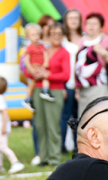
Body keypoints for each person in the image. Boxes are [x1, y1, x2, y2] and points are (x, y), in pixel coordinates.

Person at [31, 23, 70, 167]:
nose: (56, 37)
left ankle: (54, 157)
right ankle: (43, 156)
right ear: (49, 35)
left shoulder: (64, 53)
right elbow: (32, 65)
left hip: (55, 90)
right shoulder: (43, 50)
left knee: (53, 125)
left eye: (59, 34)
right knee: (40, 124)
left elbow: (66, 75)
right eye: (54, 33)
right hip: (38, 89)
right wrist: (34, 73)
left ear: (63, 36)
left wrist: (48, 75)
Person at [76, 14, 108, 110]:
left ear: (101, 27)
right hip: (83, 89)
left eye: (94, 24)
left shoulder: (106, 40)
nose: (91, 26)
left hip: (99, 86)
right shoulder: (82, 41)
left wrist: (102, 51)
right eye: (88, 23)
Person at [0, 76, 24, 173]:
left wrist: (4, 126)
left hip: (1, 129)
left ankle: (15, 162)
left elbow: (4, 112)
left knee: (3, 146)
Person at [61, 9, 82, 154]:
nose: (73, 21)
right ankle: (61, 146)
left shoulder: (85, 38)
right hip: (66, 83)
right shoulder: (62, 39)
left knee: (79, 116)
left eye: (76, 18)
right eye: (70, 18)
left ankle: (77, 145)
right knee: (64, 116)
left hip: (81, 85)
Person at [22, 24, 52, 112]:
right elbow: (27, 59)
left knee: (46, 78)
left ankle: (45, 91)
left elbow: (45, 54)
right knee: (31, 84)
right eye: (33, 35)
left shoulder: (41, 45)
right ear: (28, 37)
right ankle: (28, 99)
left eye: (37, 34)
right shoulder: (29, 47)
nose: (36, 37)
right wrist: (30, 68)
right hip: (34, 66)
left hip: (41, 66)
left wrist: (46, 62)